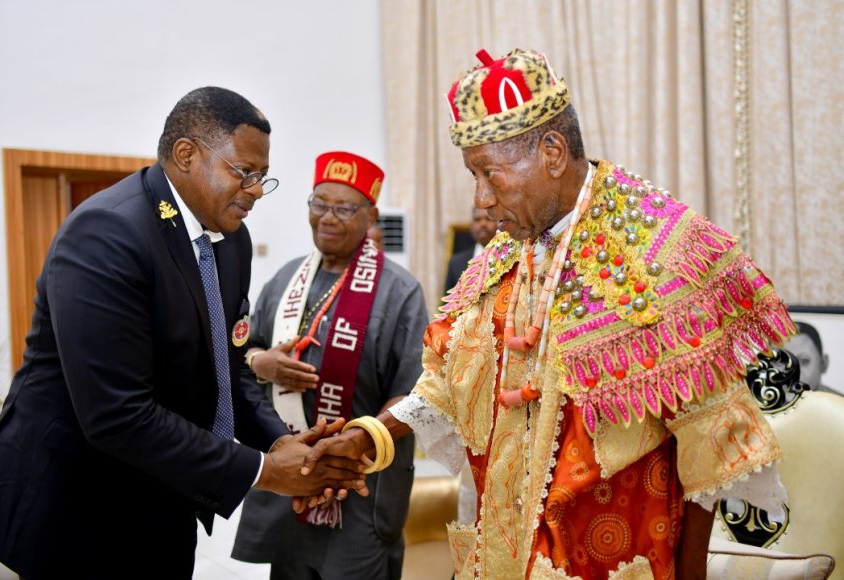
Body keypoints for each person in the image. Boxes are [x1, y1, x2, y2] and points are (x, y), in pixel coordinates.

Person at [302, 49, 796, 579]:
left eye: (490, 174)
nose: (481, 199)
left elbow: (712, 448)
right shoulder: (506, 251)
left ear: (552, 151)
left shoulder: (660, 250)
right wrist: (367, 437)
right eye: (474, 175)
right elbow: (445, 384)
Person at [0, 87, 366, 578]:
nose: (253, 190)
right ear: (186, 154)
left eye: (262, 178)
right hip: (73, 503)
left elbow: (228, 373)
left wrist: (278, 444)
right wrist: (263, 473)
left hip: (163, 491)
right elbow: (117, 415)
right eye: (243, 173)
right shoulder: (107, 233)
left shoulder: (231, 242)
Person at [231, 151, 429, 579]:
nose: (328, 218)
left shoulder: (401, 292)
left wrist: (358, 441)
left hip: (360, 483)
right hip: (293, 475)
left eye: (343, 208)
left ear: (370, 215)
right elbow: (243, 355)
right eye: (319, 204)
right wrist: (262, 362)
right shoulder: (285, 280)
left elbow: (417, 394)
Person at [444, 205, 497, 293]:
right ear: (471, 225)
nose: (482, 224)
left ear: (498, 223)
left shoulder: (509, 256)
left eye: (488, 219)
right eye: (477, 219)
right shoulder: (456, 263)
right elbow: (448, 302)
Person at [788, 321, 835, 393]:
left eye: (804, 361)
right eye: (782, 361)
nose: (792, 373)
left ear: (823, 364)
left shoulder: (840, 403)